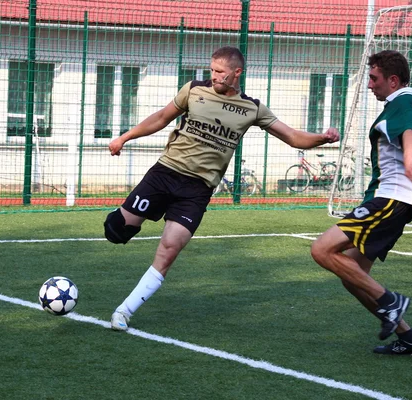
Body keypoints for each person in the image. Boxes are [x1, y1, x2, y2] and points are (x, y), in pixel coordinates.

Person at [104, 46, 339, 331]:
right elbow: (160, 118)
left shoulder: (252, 108)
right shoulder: (193, 90)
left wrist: (322, 138)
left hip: (197, 190)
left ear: (236, 73)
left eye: (219, 72)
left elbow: (292, 136)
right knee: (115, 231)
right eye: (212, 70)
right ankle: (129, 222)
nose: (213, 76)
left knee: (169, 249)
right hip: (165, 174)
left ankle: (124, 312)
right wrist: (125, 137)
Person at [311, 50, 412, 356]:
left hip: (391, 199)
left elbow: (409, 131)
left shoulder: (403, 101)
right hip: (392, 200)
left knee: (321, 249)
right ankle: (410, 340)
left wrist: (409, 158)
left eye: (374, 78)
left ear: (393, 80)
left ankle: (391, 301)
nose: (370, 85)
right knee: (352, 274)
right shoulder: (401, 103)